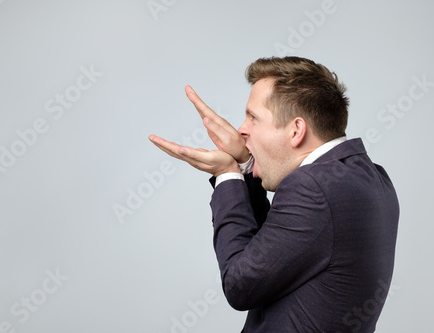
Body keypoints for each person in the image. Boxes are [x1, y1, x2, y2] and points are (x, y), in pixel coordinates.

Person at [149, 56, 399, 332]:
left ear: (296, 131)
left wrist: (227, 176)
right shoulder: (371, 177)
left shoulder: (312, 186)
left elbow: (239, 284)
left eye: (253, 117)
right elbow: (275, 254)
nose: (242, 129)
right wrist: (246, 166)